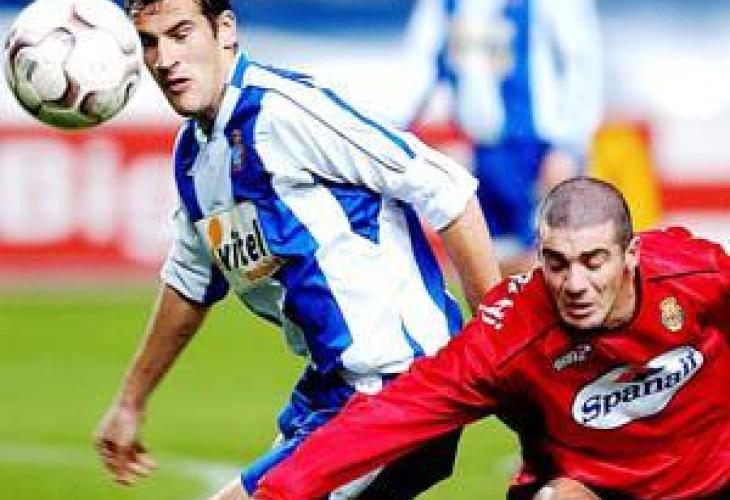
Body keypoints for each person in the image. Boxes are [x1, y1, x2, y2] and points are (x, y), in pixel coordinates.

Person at [94, 1, 501, 499]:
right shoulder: (194, 155)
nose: (165, 59)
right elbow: (191, 282)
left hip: (400, 388)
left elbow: (446, 188)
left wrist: (498, 337)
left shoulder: (284, 111)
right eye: (149, 43)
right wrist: (131, 401)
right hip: (334, 392)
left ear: (225, 31)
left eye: (181, 34)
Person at [253, 177, 730, 500]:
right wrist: (279, 491)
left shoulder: (697, 272)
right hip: (589, 487)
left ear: (631, 254)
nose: (575, 284)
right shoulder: (507, 335)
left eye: (593, 261)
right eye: (557, 263)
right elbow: (393, 415)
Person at [404, 0, 603, 275]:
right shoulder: (444, 6)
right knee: (488, 265)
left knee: (548, 260)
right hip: (478, 152)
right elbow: (420, 67)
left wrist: (569, 146)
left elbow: (582, 64)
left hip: (538, 150)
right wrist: (399, 135)